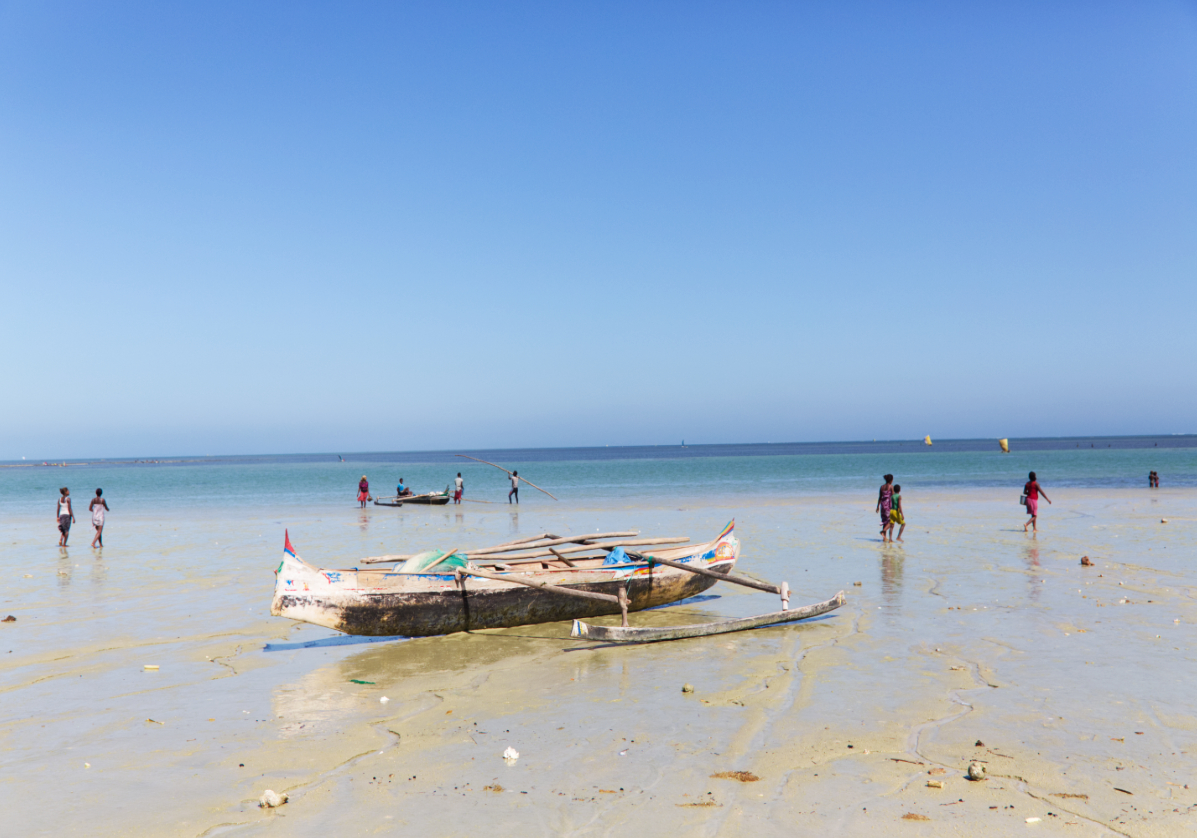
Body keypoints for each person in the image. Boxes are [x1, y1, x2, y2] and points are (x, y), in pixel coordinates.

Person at [875, 474, 894, 540]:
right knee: (891, 521)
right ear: (891, 480)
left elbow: (880, 497)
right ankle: (883, 532)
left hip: (882, 506)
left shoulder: (881, 487)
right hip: (888, 506)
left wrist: (877, 507)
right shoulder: (891, 487)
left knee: (884, 522)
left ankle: (884, 538)